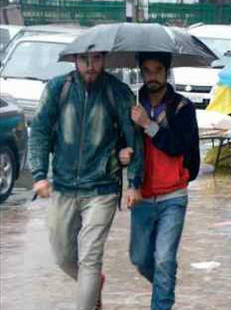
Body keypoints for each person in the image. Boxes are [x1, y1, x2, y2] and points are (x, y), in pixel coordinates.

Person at [28, 51, 144, 310]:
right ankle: (93, 288)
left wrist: (134, 182)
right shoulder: (58, 89)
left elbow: (133, 139)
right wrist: (38, 175)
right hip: (63, 185)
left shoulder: (118, 92)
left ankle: (88, 300)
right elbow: (39, 131)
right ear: (74, 61)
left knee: (90, 258)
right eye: (84, 59)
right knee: (63, 256)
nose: (91, 66)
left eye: (97, 59)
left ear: (105, 60)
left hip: (102, 187)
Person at [123, 52, 199, 310]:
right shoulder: (132, 106)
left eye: (158, 70)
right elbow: (121, 143)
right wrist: (121, 155)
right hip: (142, 195)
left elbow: (179, 146)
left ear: (167, 72)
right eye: (147, 70)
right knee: (141, 258)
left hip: (173, 195)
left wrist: (148, 124)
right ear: (141, 73)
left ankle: (162, 303)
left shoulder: (182, 107)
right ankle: (165, 287)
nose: (152, 76)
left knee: (165, 259)